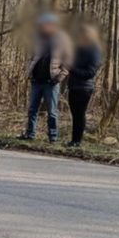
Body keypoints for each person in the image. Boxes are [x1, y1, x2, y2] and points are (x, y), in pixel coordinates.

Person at [19, 12, 72, 143]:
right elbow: (31, 58)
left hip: (51, 83)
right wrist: (29, 72)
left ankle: (53, 137)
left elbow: (68, 63)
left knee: (52, 112)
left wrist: (59, 77)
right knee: (32, 110)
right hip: (36, 82)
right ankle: (30, 134)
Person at [66, 24, 104, 148]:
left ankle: (77, 140)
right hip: (73, 86)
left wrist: (73, 69)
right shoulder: (78, 49)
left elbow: (90, 73)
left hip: (84, 88)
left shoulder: (94, 52)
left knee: (79, 114)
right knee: (74, 114)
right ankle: (73, 139)